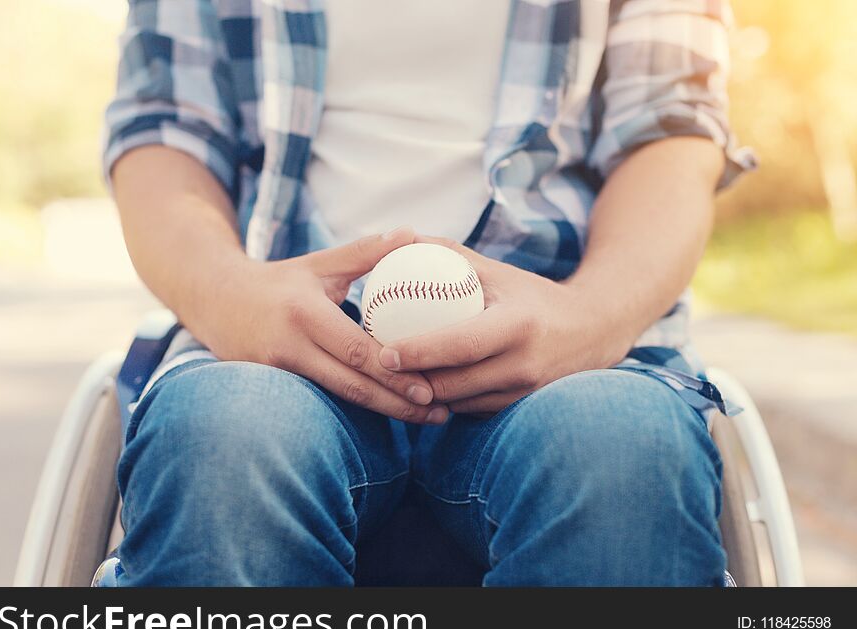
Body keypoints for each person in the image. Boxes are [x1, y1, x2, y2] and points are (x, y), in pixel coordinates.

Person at [104, 0, 753, 586]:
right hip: (278, 349)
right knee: (222, 438)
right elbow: (165, 134)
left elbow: (671, 132)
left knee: (619, 449)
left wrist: (589, 315)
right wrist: (233, 297)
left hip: (558, 346)